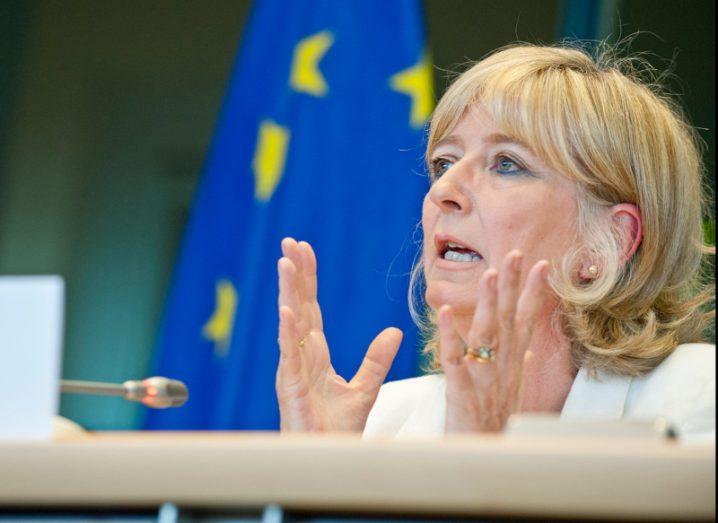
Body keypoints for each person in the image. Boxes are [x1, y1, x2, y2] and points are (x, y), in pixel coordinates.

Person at [274, 42, 715, 442]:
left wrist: (478, 466)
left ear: (610, 242)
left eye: (506, 164)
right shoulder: (387, 419)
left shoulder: (697, 397)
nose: (442, 190)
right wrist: (316, 484)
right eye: (444, 161)